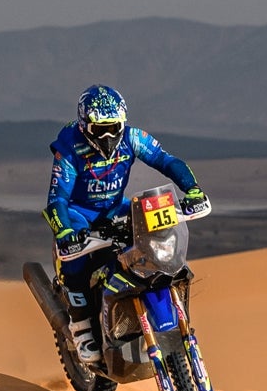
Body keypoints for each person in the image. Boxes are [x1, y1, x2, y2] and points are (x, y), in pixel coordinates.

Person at [43, 84, 208, 362]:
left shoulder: (133, 138)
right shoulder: (69, 149)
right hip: (79, 213)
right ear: (85, 126)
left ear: (123, 122)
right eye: (99, 129)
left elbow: (165, 160)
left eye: (114, 127)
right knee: (76, 260)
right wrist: (65, 231)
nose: (108, 135)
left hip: (115, 208)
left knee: (153, 238)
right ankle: (82, 327)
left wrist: (191, 189)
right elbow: (57, 197)